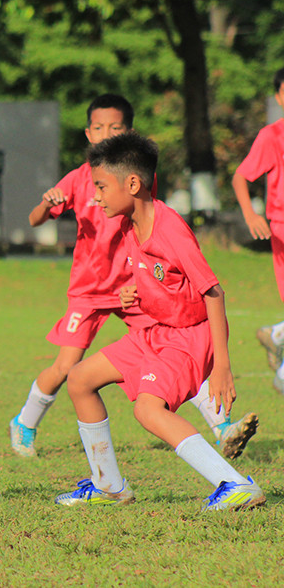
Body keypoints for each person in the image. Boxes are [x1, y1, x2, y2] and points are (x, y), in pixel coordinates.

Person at [11, 95, 257, 459]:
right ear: (87, 132)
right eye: (98, 127)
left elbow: (151, 233)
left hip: (134, 288)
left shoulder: (136, 180)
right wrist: (48, 203)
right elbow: (33, 219)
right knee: (67, 367)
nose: (105, 133)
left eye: (115, 127)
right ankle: (25, 423)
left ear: (128, 133)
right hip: (89, 290)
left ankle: (221, 427)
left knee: (170, 349)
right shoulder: (82, 179)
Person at [55, 131, 264, 511]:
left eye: (101, 187)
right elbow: (157, 274)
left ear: (132, 183)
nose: (95, 196)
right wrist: (134, 293)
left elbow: (213, 293)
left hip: (188, 337)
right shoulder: (127, 223)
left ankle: (235, 484)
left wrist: (222, 366)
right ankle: (109, 486)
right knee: (80, 379)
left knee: (147, 410)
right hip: (154, 332)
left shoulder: (170, 230)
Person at [231, 66, 284, 394]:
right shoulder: (272, 136)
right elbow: (241, 176)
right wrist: (250, 213)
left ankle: (277, 335)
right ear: (279, 97)